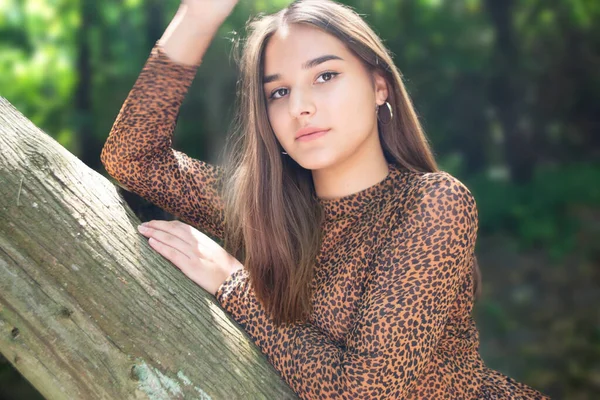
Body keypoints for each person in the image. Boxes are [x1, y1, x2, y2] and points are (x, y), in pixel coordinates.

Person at [101, 0, 550, 398]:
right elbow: (131, 158)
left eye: (325, 75)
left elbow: (363, 391)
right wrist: (197, 16)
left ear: (380, 86)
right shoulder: (261, 208)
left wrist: (232, 283)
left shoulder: (433, 204)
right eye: (278, 92)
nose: (300, 106)